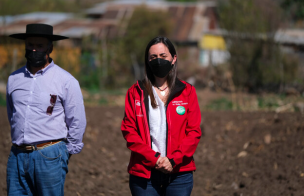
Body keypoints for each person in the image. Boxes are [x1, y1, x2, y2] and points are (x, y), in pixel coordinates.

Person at [6, 23, 87, 196]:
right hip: (17, 155)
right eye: (30, 45)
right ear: (25, 46)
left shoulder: (66, 80)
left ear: (50, 48)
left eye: (40, 46)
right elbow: (13, 115)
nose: (34, 50)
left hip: (49, 155)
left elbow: (77, 120)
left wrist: (66, 153)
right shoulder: (14, 79)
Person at [121, 36, 202, 196]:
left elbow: (193, 132)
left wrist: (173, 160)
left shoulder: (187, 92)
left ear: (173, 58)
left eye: (163, 56)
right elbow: (129, 131)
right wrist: (154, 159)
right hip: (144, 175)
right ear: (147, 61)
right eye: (153, 57)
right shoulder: (135, 92)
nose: (158, 61)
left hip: (179, 173)